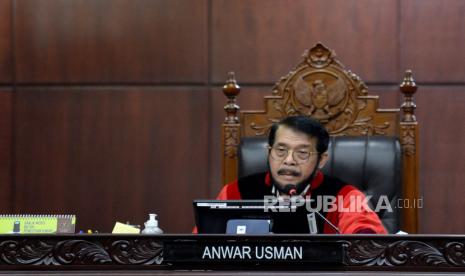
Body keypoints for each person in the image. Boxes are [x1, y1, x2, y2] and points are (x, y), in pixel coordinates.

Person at [216, 115, 387, 234]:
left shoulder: (344, 197)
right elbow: (203, 250)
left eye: (302, 153)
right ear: (269, 152)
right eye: (281, 150)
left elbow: (367, 241)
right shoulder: (235, 193)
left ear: (321, 159)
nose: (289, 160)